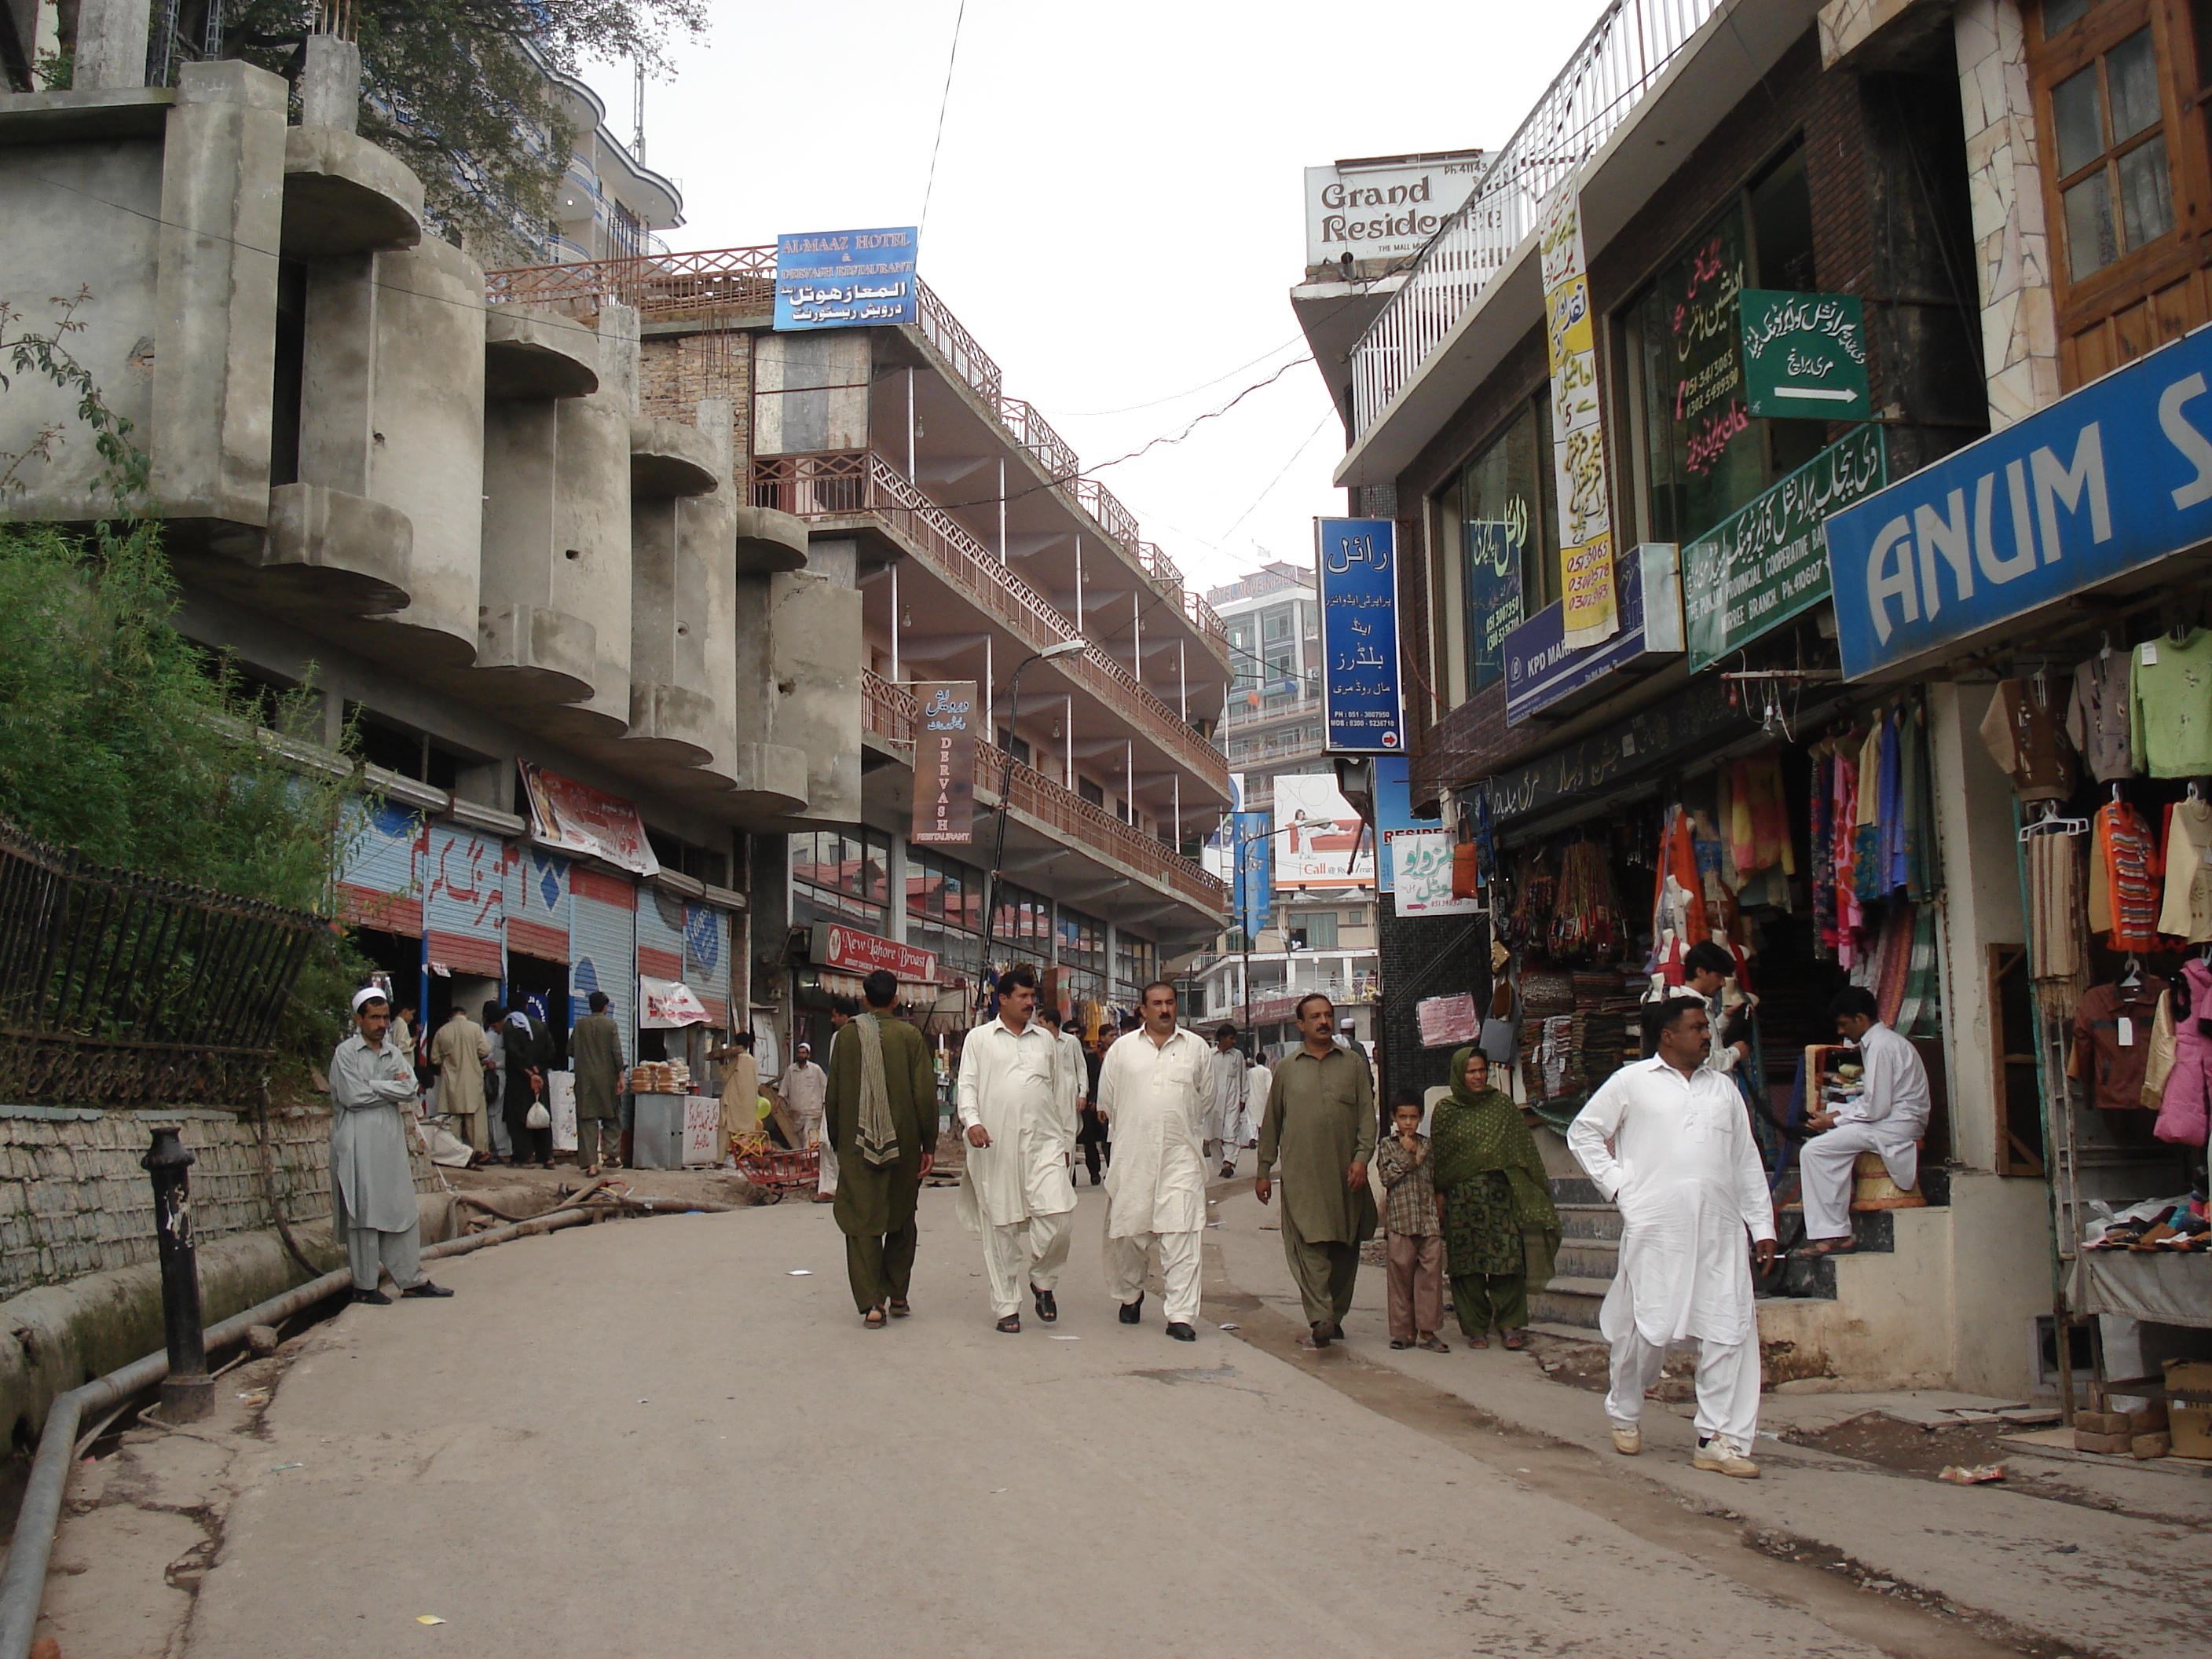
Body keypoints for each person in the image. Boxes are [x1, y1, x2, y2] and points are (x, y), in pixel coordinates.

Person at [1567, 995, 1777, 1478]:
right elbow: (1584, 1134)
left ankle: (1717, 1439)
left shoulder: (1723, 1090)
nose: (1708, 1035)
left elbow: (1745, 1161)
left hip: (1720, 1230)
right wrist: (1621, 1188)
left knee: (1731, 1326)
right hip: (1657, 1229)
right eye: (1698, 1027)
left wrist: (1761, 1225)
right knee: (1646, 1330)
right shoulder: (1631, 1083)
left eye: (1707, 1027)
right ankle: (1624, 1409)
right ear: (1668, 1035)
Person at [956, 965, 1078, 1334]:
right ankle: (1006, 1305)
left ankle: (1043, 1280)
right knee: (1002, 1227)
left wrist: (1066, 1141)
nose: (1030, 1003)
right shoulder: (979, 1039)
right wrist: (972, 1121)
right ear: (1003, 999)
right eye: (1023, 997)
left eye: (1032, 997)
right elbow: (967, 1085)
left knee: (1059, 1219)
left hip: (1044, 1145)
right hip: (996, 1144)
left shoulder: (1045, 1041)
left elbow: (1060, 1094)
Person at [1256, 993, 1377, 1350]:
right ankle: (1320, 1316)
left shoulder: (1354, 1065)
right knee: (1307, 1244)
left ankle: (1334, 1317)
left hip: (1345, 1175)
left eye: (1328, 1015)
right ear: (1301, 1025)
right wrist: (1263, 1169)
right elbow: (1272, 1122)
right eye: (1315, 1017)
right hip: (1302, 1176)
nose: (1323, 1022)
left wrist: (1361, 1159)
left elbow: (1368, 1118)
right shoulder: (1288, 1068)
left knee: (1344, 1246)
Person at [1097, 980, 1211, 1340]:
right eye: (1157, 1003)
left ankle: (1181, 1315)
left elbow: (1204, 1100)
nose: (1164, 1009)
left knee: (1182, 1233)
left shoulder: (1196, 1048)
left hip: (1181, 1156)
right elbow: (1109, 1103)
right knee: (1130, 1232)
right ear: (1142, 1010)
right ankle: (1130, 1293)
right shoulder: (1122, 1051)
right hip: (1134, 1156)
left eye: (1170, 1003)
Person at [823, 969, 938, 1327]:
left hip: (856, 1142)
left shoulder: (846, 1037)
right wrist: (928, 1143)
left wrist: (839, 1141)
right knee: (901, 1215)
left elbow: (834, 1092)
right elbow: (923, 1094)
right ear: (895, 998)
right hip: (902, 1142)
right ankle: (898, 1292)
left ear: (864, 997)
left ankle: (873, 1304)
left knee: (862, 1220)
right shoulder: (910, 1037)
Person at [329, 987, 452, 1304]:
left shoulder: (393, 1052)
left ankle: (410, 1280)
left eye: (385, 1017)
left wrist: (373, 1085)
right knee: (363, 1211)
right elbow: (351, 1097)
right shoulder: (346, 1053)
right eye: (374, 1017)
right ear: (359, 1020)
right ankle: (366, 1286)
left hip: (390, 1141)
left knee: (401, 1208)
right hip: (357, 1141)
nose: (382, 1024)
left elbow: (410, 1088)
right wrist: (389, 1088)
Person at [1431, 1047, 1558, 1350]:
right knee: (1467, 1266)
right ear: (1459, 1074)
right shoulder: (1446, 1111)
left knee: (1507, 1261)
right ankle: (1475, 1327)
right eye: (1471, 1071)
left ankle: (1510, 1324)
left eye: (1481, 1070)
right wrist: (1439, 1197)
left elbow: (1522, 1152)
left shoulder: (1502, 1106)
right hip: (1461, 1202)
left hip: (1500, 1200)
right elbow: (1440, 1160)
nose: (1477, 1077)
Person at [1803, 986, 1931, 1255]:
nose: (1840, 1032)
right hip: (1889, 1121)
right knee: (1824, 1146)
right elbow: (1872, 1102)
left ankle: (1833, 1233)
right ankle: (1834, 1230)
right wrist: (1835, 1116)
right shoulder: (1880, 1044)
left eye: (1843, 1024)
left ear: (1861, 1019)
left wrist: (1833, 1121)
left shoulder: (1882, 1046)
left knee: (1815, 1151)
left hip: (1896, 1125)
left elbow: (1876, 1108)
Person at [1376, 1090, 1450, 1353]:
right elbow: (1387, 1178)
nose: (1408, 1123)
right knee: (1400, 1277)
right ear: (1394, 1118)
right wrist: (1409, 1158)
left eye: (1413, 1117)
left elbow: (1433, 1175)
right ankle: (1402, 1332)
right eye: (1403, 1117)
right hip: (1400, 1221)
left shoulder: (1427, 1145)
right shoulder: (1387, 1145)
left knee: (1430, 1277)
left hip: (1427, 1219)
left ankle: (1428, 1331)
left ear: (1420, 1118)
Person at [1681, 940, 1755, 1074]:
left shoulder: (1699, 1005)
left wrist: (1725, 1019)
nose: (1722, 983)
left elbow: (1707, 1038)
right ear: (1700, 972)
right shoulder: (1687, 1009)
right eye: (1718, 976)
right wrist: (1735, 1052)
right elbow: (1704, 1060)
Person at [570, 991, 624, 1175]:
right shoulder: (610, 1025)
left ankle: (591, 1165)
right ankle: (610, 1155)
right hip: (607, 1080)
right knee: (612, 1116)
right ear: (605, 1007)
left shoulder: (580, 1025)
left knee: (587, 1120)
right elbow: (616, 1052)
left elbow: (570, 1050)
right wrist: (620, 1076)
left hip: (584, 1080)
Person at [428, 1004, 490, 1161]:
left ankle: (457, 1157)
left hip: (451, 1083)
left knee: (453, 1123)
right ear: (466, 1014)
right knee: (476, 1124)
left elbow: (434, 1058)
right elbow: (485, 1051)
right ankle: (481, 1154)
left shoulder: (442, 1031)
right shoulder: (475, 1028)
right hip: (473, 1081)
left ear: (450, 1017)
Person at [501, 1005, 553, 1168]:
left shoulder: (510, 1026)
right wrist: (539, 1068)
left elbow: (514, 1054)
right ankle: (547, 1156)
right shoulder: (540, 1025)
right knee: (541, 1117)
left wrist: (529, 1072)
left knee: (518, 1118)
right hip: (540, 1079)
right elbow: (551, 1051)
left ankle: (526, 1156)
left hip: (520, 1080)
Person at [816, 997, 857, 1203]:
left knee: (835, 1142)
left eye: (835, 1016)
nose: (832, 1021)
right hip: (839, 1095)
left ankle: (839, 1187)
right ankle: (830, 1186)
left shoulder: (846, 1036)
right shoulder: (840, 1037)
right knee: (826, 1141)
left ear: (844, 1016)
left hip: (845, 1098)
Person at [715, 1032, 760, 1167]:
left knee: (725, 1131)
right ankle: (744, 1160)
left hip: (732, 1101)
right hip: (747, 1104)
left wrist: (721, 1064)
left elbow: (725, 1077)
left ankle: (720, 1161)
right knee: (745, 1133)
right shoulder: (753, 1061)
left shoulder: (736, 1060)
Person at [1076, 1024, 1113, 1186]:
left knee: (1109, 1137)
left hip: (1108, 1102)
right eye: (1110, 1035)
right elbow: (1092, 1078)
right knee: (1090, 1139)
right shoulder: (1092, 1057)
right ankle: (1094, 1172)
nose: (1114, 1039)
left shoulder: (1116, 1054)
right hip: (1091, 1103)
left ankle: (1111, 1170)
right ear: (1102, 1037)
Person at [1207, 1024, 1245, 1174]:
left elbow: (1243, 1079)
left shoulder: (1237, 1056)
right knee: (1214, 1135)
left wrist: (1243, 1098)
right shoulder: (1210, 1056)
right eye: (1231, 1038)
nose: (1233, 1042)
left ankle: (1229, 1162)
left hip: (1232, 1100)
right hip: (1213, 1101)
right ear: (1222, 1039)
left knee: (1231, 1131)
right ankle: (1222, 1165)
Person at [780, 1041, 828, 1152]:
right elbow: (784, 1088)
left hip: (813, 1111)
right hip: (796, 1112)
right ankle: (805, 1160)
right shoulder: (791, 1070)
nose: (801, 1055)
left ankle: (807, 1162)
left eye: (803, 1053)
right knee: (800, 1137)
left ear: (808, 1055)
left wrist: (825, 1104)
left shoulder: (815, 1069)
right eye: (799, 1053)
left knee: (809, 1136)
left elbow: (825, 1086)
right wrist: (777, 1104)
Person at [480, 1002, 511, 1164]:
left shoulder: (498, 1034)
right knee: (495, 1115)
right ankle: (501, 1149)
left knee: (497, 1115)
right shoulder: (496, 1034)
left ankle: (503, 1151)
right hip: (498, 1077)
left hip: (500, 1077)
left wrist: (495, 1064)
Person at [1244, 1049, 1273, 1148]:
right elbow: (1269, 1087)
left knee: (1252, 1120)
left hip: (1251, 1098)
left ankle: (1253, 1138)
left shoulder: (1250, 1072)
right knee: (1263, 1119)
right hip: (1263, 1099)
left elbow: (1246, 1085)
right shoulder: (1266, 1072)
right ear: (1265, 1061)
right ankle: (1264, 1138)